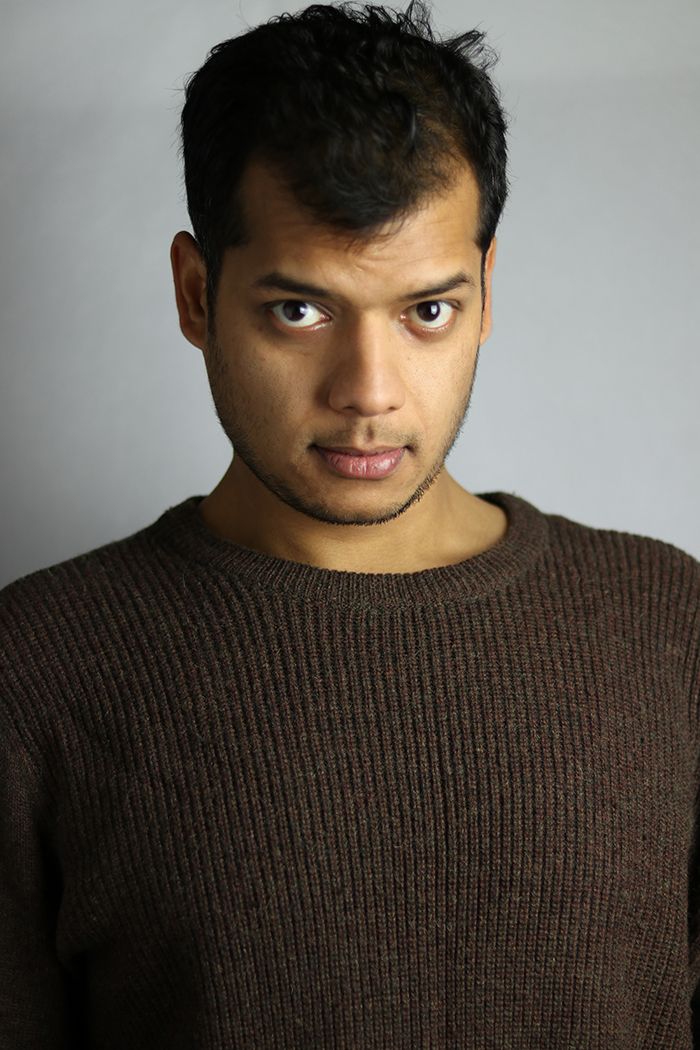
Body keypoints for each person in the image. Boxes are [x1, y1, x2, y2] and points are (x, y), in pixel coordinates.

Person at [1, 1, 698, 1046]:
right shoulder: (35, 669)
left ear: (485, 293)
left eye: (427, 311)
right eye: (301, 311)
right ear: (196, 294)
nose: (368, 392)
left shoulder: (670, 627)